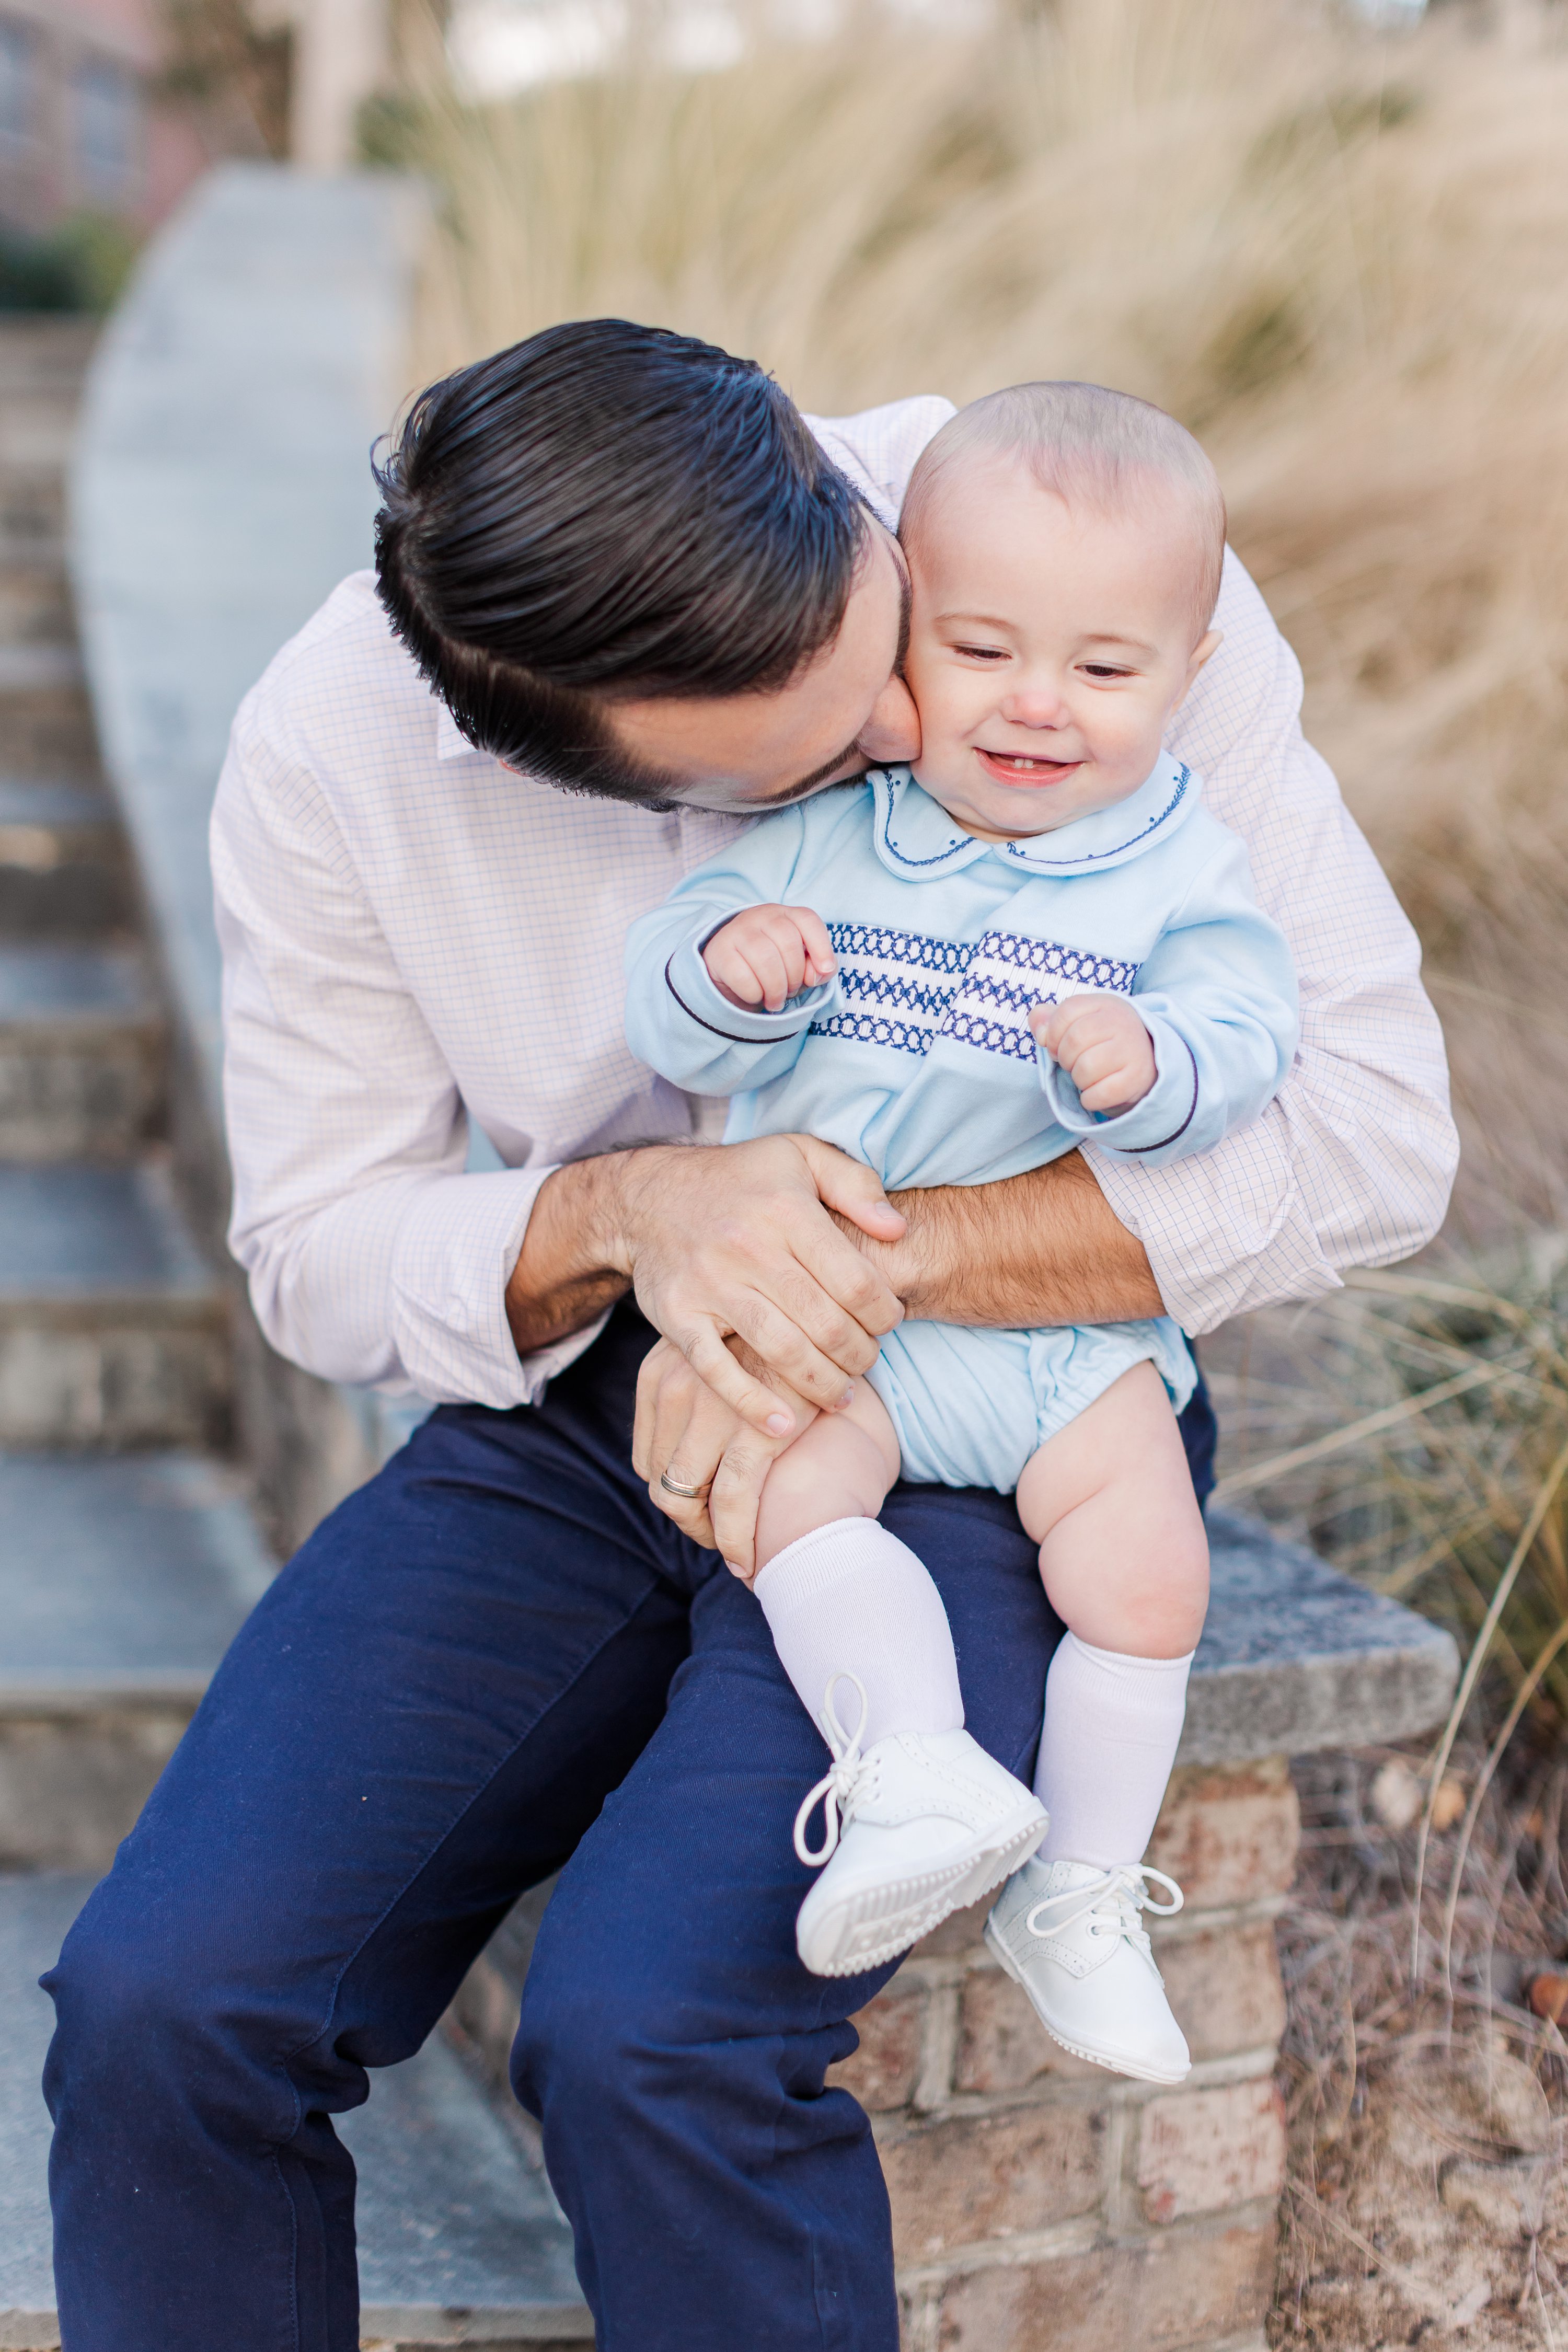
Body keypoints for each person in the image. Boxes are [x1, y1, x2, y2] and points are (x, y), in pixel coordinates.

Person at [42, 320, 1456, 2352]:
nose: (921, 737)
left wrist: (869, 1261)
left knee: (654, 2033)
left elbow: (1380, 1143)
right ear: (586, 773)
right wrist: (632, 1216)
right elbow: (323, 1248)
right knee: (167, 2005)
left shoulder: (1055, 557)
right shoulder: (338, 746)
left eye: (898, 652)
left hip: (1001, 1400)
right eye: (820, 761)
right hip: (580, 1397)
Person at [624, 382, 1299, 2084]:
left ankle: (1075, 1885)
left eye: (1103, 669)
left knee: (1147, 1565)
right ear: (905, 625)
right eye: (983, 648)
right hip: (836, 1325)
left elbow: (1251, 1031)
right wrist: (729, 973)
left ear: (1191, 671)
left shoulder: (1182, 871)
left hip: (1053, 1336)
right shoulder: (826, 834)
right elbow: (676, 997)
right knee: (781, 1492)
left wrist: (1155, 1068)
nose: (1035, 708)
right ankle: (914, 1760)